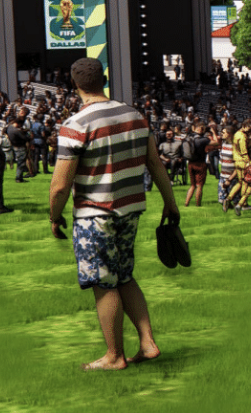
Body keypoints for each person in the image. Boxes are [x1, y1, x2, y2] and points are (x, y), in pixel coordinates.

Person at [47, 57, 178, 371]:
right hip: (131, 209)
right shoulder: (134, 115)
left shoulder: (76, 124)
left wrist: (54, 216)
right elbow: (155, 164)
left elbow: (60, 185)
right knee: (125, 276)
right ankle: (147, 343)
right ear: (104, 80)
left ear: (74, 84)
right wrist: (170, 203)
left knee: (103, 283)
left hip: (95, 214)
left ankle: (114, 356)